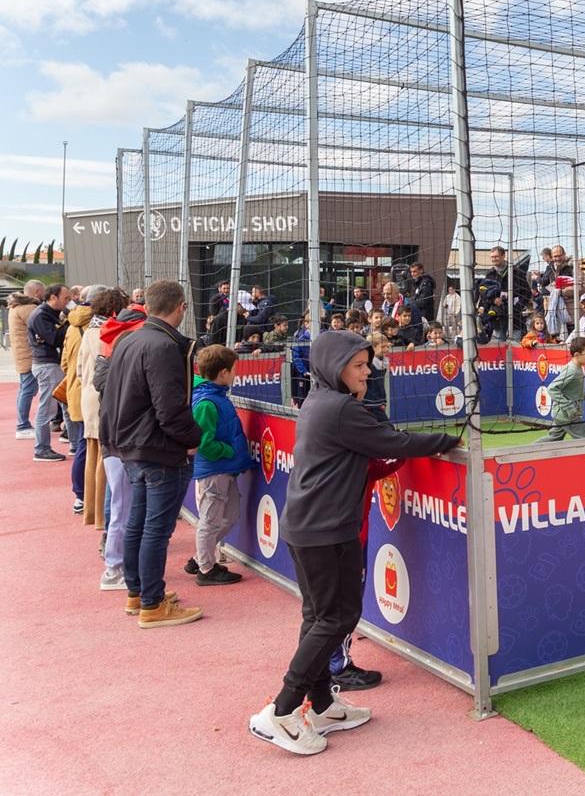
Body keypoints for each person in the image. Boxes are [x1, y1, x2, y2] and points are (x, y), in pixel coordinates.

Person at [249, 330, 460, 755]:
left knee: (322, 616)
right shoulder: (340, 408)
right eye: (360, 366)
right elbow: (396, 443)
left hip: (313, 527)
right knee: (334, 617)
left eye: (367, 364)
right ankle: (282, 710)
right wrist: (447, 439)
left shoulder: (320, 400)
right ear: (335, 367)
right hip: (323, 530)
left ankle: (322, 704)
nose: (369, 372)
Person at [98, 280, 203, 627]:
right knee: (154, 530)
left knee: (138, 525)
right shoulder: (161, 346)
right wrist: (192, 437)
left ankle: (139, 593)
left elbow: (109, 390)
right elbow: (169, 407)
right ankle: (152, 604)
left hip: (132, 446)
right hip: (156, 448)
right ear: (180, 307)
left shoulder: (130, 339)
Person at [184, 345, 252, 587]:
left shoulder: (216, 397)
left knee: (230, 515)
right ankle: (206, 568)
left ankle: (200, 557)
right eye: (234, 370)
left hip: (225, 468)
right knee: (210, 520)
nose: (235, 374)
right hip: (214, 471)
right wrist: (229, 451)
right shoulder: (207, 403)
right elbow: (204, 442)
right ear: (223, 373)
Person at [94, 292, 147, 591]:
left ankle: (122, 564)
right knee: (123, 505)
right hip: (122, 435)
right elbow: (100, 383)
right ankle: (114, 569)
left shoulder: (110, 336)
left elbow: (99, 382)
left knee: (125, 505)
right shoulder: (130, 336)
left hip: (115, 432)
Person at [78, 287, 127, 536]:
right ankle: (101, 517)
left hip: (87, 394)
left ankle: (92, 511)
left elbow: (78, 368)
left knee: (92, 453)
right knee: (105, 459)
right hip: (101, 397)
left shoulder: (89, 331)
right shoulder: (109, 332)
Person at [61, 285, 99, 513]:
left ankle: (80, 495)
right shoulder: (95, 327)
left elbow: (64, 361)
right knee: (87, 447)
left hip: (76, 392)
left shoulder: (72, 325)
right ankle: (83, 495)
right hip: (89, 392)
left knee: (81, 446)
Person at [28, 283, 70, 462]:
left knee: (65, 406)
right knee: (48, 407)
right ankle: (42, 448)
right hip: (47, 365)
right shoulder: (40, 315)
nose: (69, 302)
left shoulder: (50, 314)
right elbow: (55, 339)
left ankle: (74, 441)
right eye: (66, 298)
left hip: (52, 363)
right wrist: (70, 322)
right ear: (53, 297)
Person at [537, 337, 585, 442]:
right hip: (568, 416)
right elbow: (552, 389)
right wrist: (570, 408)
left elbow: (571, 391)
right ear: (577, 355)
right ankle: (528, 452)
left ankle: (530, 451)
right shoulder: (572, 370)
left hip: (562, 414)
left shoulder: (577, 368)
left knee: (553, 438)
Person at [9, 280, 42, 442]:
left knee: (24, 390)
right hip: (29, 355)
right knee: (27, 390)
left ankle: (22, 424)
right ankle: (23, 425)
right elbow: (41, 325)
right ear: (36, 292)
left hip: (22, 354)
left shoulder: (16, 307)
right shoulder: (29, 308)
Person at [363, 333, 391, 420]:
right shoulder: (368, 363)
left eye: (387, 346)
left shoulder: (383, 361)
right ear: (373, 348)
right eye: (383, 347)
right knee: (385, 427)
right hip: (369, 403)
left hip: (379, 400)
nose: (386, 349)